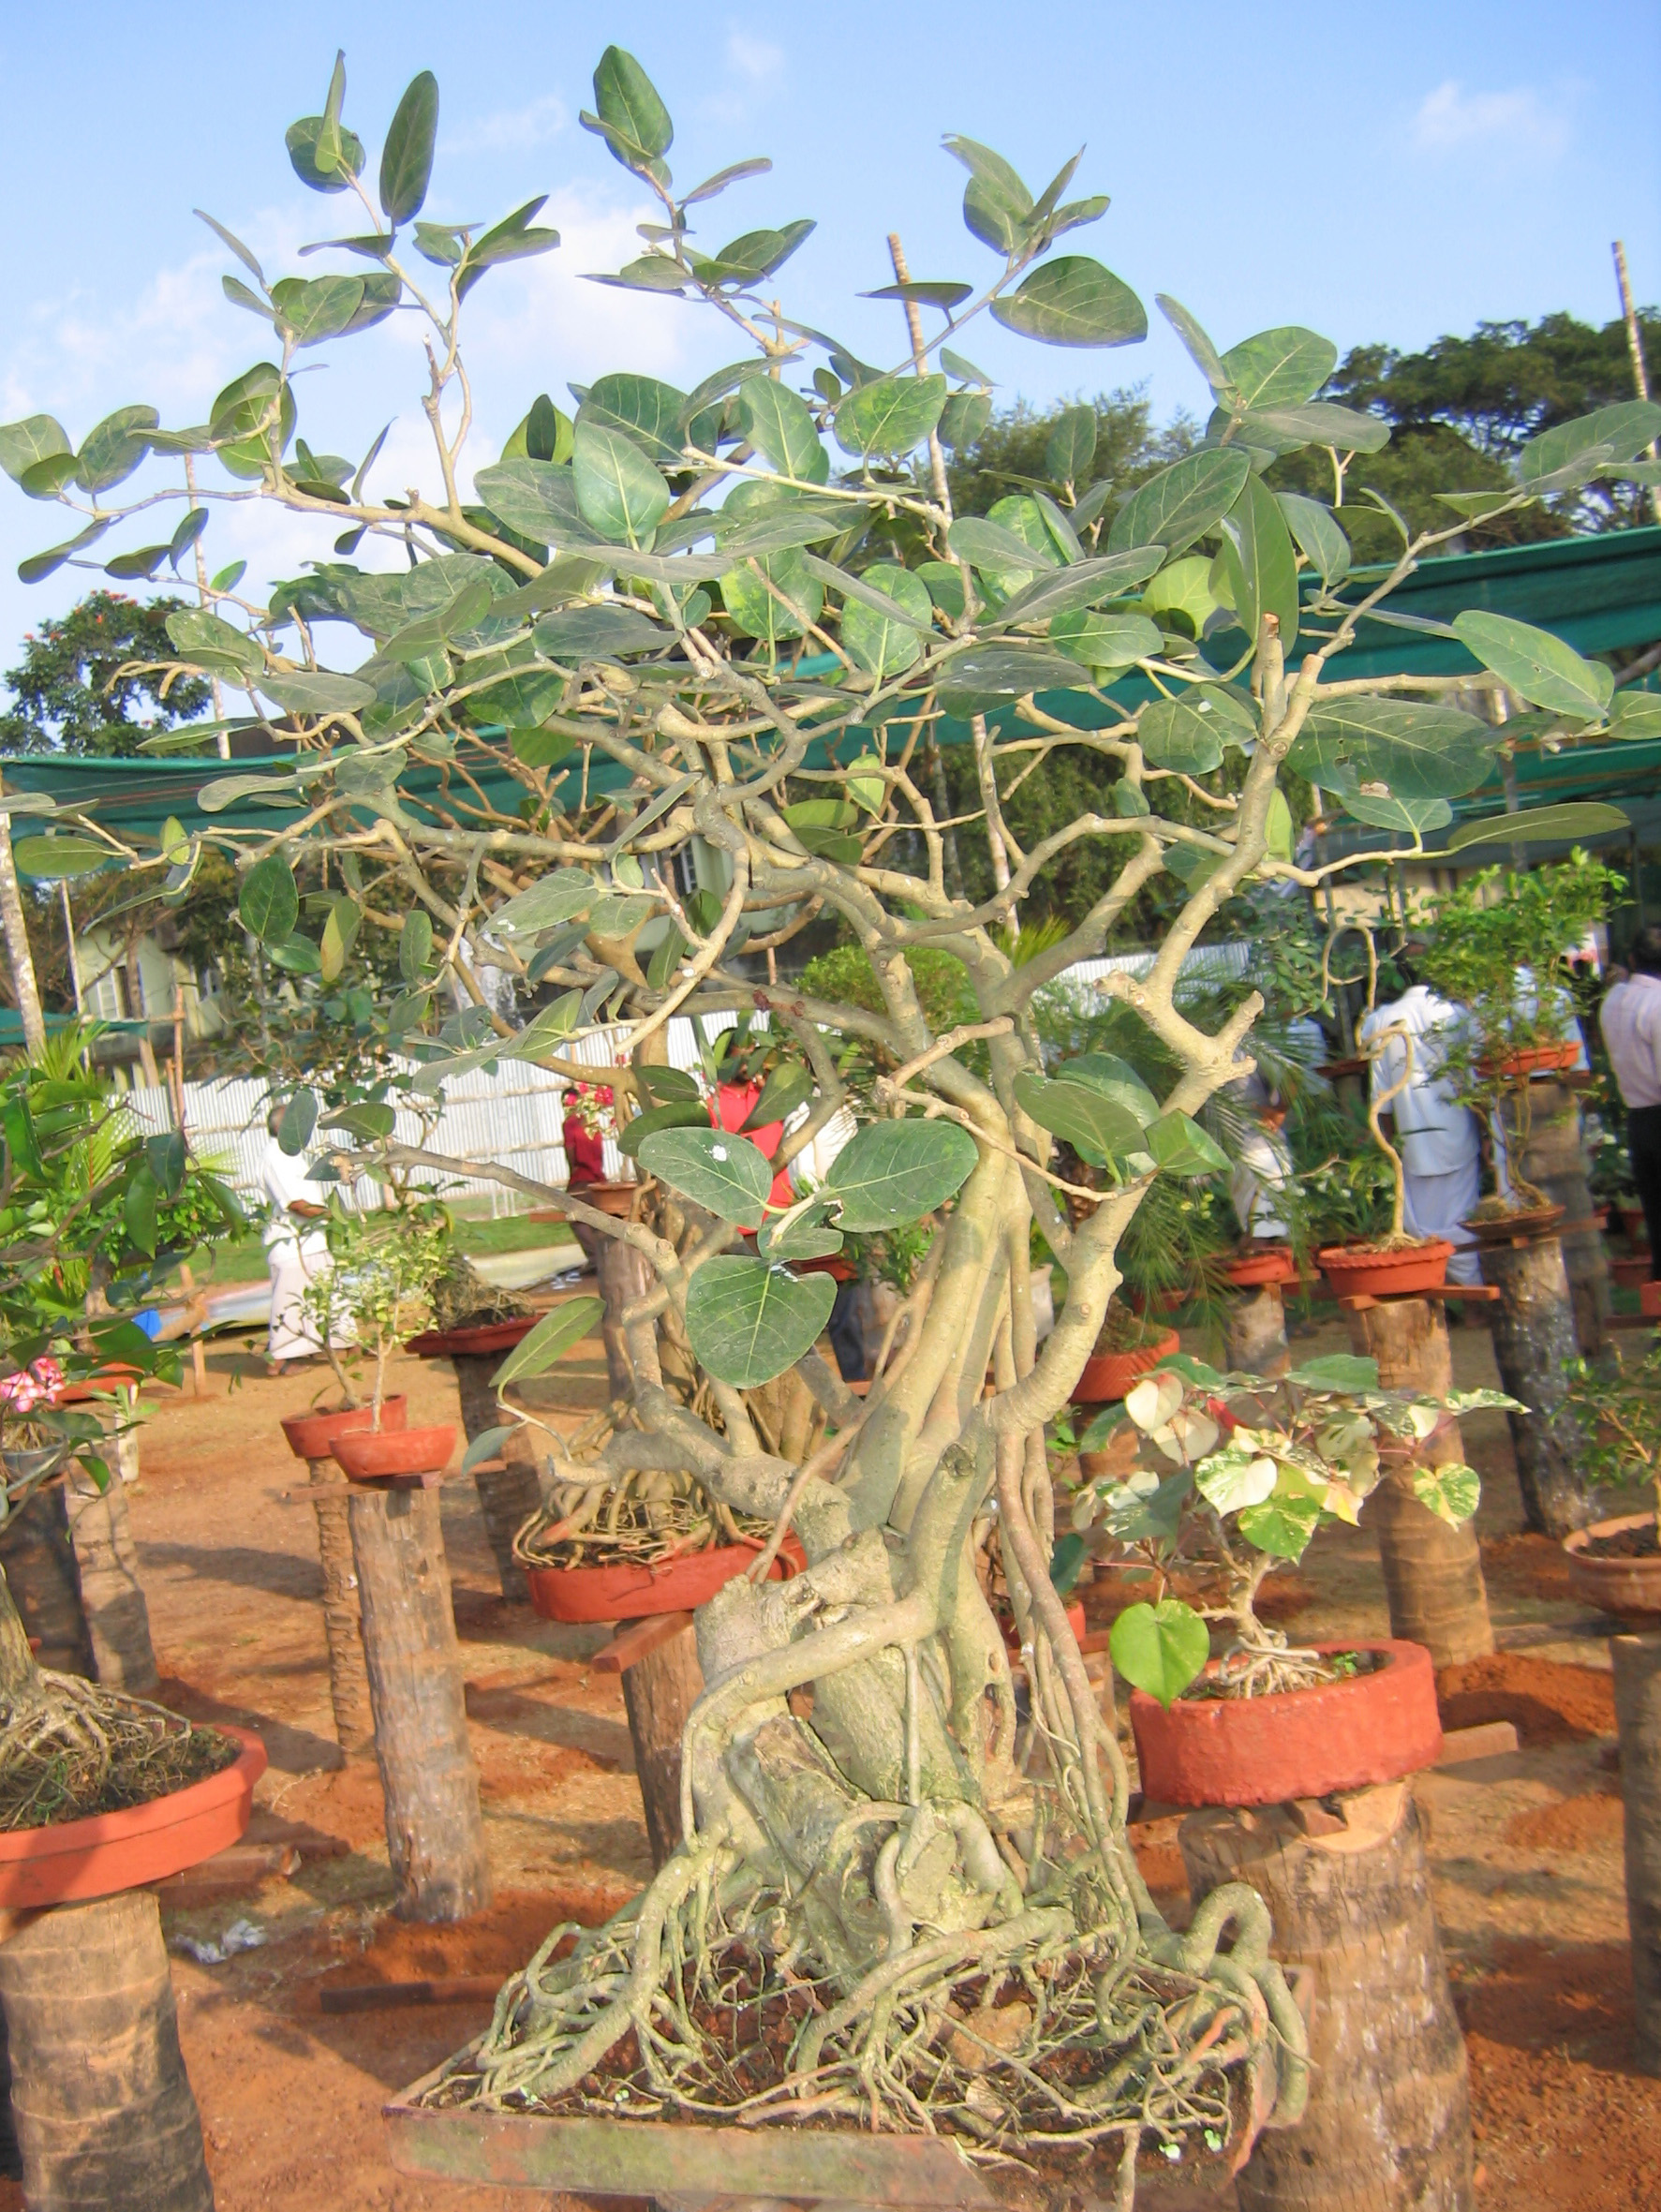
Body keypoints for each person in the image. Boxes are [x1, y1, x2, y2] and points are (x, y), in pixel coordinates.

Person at [1358, 979, 1482, 1287]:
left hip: (1411, 1136)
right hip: (1458, 1129)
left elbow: (1381, 1099)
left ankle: (1444, 1290)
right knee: (1462, 1215)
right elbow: (1474, 1079)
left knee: (1421, 1222)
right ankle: (1470, 1292)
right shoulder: (1453, 1014)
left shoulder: (1380, 1022)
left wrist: (1392, 1143)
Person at [259, 1106, 348, 1373]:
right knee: (289, 1305)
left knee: (330, 1294)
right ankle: (280, 1360)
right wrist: (334, 1215)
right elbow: (296, 1204)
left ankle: (346, 1344)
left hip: (312, 1241)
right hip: (290, 1244)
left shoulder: (292, 1154)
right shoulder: (274, 1156)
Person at [1599, 925, 1661, 1276]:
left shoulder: (1613, 1000)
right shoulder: (1656, 1003)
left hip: (1638, 1119)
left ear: (1634, 959)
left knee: (1655, 1215)